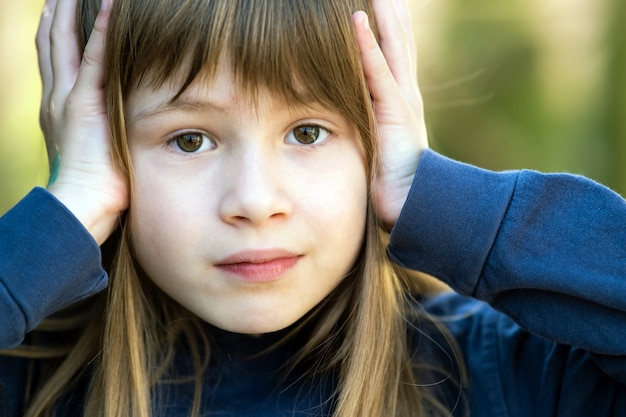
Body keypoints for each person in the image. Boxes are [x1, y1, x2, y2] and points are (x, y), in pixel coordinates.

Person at [0, 0, 625, 416]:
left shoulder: (497, 375)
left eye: (307, 132)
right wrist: (68, 209)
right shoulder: (30, 380)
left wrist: (438, 200)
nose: (256, 201)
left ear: (380, 136)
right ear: (102, 145)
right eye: (189, 139)